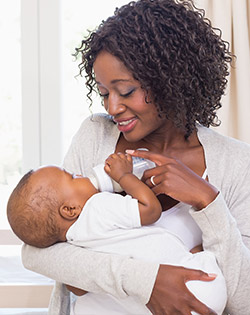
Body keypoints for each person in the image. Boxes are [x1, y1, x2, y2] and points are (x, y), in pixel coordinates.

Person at [21, 0, 250, 314]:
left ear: (171, 81)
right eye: (104, 93)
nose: (113, 108)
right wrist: (148, 282)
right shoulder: (95, 136)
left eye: (126, 91)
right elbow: (39, 254)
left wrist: (208, 202)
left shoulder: (235, 164)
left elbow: (243, 300)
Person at [7, 155, 227, 314]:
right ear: (70, 210)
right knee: (203, 257)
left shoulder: (72, 240)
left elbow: (78, 288)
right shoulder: (96, 207)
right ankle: (199, 257)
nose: (81, 174)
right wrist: (124, 176)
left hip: (172, 301)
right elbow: (150, 210)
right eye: (73, 177)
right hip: (201, 290)